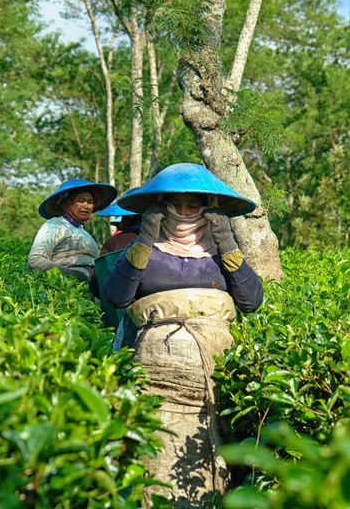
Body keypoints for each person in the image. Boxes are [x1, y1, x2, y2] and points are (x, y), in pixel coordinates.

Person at [103, 163, 263, 508]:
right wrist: (145, 239)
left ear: (209, 210)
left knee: (207, 464)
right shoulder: (146, 251)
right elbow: (115, 297)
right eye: (178, 205)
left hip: (210, 386)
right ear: (162, 207)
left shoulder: (221, 255)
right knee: (154, 460)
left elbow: (251, 301)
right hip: (155, 386)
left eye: (195, 206)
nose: (186, 213)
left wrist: (226, 242)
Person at [28, 178, 117, 283]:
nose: (86, 206)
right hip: (66, 291)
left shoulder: (85, 234)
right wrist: (72, 275)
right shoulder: (54, 225)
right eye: (81, 201)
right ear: (67, 203)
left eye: (90, 202)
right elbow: (35, 261)